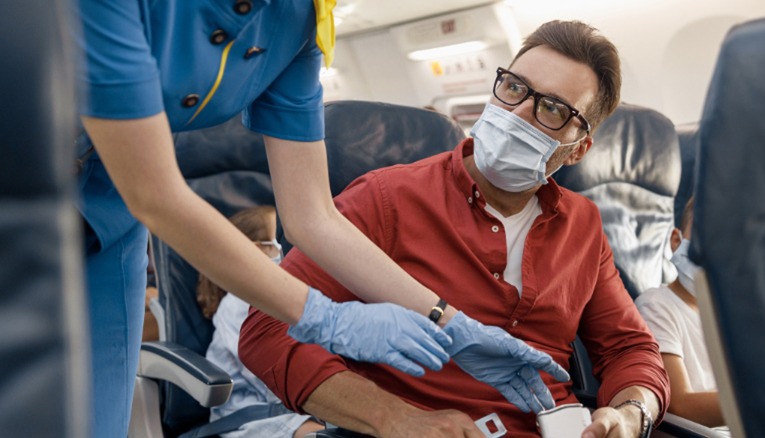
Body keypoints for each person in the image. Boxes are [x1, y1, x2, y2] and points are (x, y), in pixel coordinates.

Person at [71, 1, 563, 435]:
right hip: (26, 189)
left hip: (111, 222)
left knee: (96, 422)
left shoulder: (300, 20)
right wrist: (324, 317)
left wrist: (449, 323)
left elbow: (312, 216)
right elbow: (155, 192)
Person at [239, 20, 670, 438]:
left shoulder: (583, 225)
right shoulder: (387, 198)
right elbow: (266, 331)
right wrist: (392, 418)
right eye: (515, 87)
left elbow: (630, 349)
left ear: (578, 149)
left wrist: (634, 413)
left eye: (553, 109)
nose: (518, 113)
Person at [197, 206, 324, 438]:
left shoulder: (289, 295)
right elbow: (268, 370)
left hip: (288, 411)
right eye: (280, 241)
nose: (289, 249)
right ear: (255, 251)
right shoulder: (238, 303)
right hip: (246, 418)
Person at [635, 198, 727, 429]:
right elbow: (679, 405)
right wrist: (759, 402)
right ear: (676, 240)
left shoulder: (731, 319)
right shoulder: (656, 305)